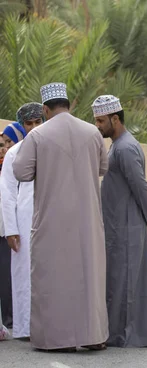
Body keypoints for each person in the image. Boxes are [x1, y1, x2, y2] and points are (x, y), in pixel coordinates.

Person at [12, 82, 109, 352]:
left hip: (51, 221)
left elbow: (20, 173)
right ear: (69, 104)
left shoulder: (37, 135)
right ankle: (93, 336)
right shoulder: (92, 132)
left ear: (45, 109)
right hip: (88, 221)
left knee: (53, 277)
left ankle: (57, 340)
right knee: (88, 276)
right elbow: (103, 167)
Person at [93, 95, 147, 348]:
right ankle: (119, 333)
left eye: (100, 120)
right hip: (118, 224)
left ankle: (126, 335)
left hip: (127, 225)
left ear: (115, 119)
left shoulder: (125, 147)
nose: (97, 125)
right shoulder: (116, 145)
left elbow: (139, 184)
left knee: (126, 281)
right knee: (119, 280)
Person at [0, 102, 43, 339]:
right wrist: (11, 230)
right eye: (30, 123)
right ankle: (25, 328)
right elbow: (7, 195)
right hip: (23, 223)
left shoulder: (53, 148)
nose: (35, 127)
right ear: (23, 125)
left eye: (38, 122)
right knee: (23, 274)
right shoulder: (15, 153)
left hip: (51, 220)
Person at [0, 127, 18, 329]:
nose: (4, 148)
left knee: (8, 274)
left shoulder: (17, 165)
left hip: (10, 228)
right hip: (5, 225)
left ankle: (11, 318)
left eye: (7, 143)